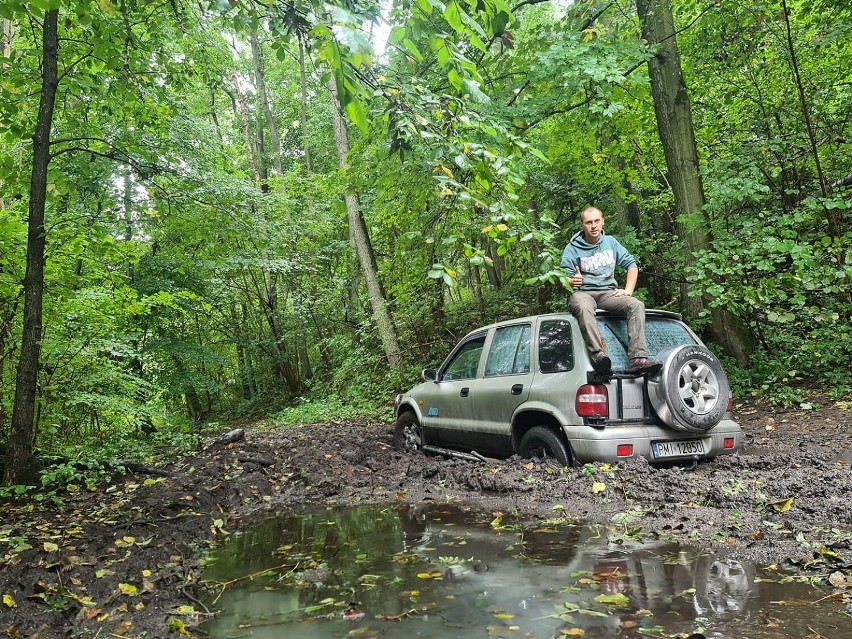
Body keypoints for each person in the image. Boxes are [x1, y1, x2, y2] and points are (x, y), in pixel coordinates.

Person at [560, 206, 662, 376]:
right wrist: (571, 280)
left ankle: (637, 359)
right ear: (582, 225)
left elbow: (631, 265)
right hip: (583, 293)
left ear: (602, 222)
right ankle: (600, 357)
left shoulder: (611, 242)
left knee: (635, 304)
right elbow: (562, 278)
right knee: (584, 308)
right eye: (589, 222)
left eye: (596, 221)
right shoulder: (572, 248)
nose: (593, 226)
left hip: (608, 293)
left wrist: (628, 290)